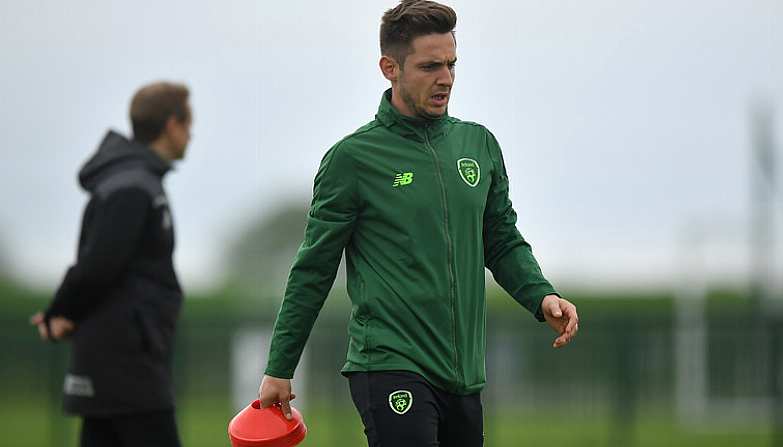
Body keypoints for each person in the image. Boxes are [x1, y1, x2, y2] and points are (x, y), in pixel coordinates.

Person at [259, 1, 579, 446]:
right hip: (390, 363)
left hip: (463, 373)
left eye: (451, 64)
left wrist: (540, 294)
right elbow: (313, 269)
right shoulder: (352, 160)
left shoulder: (479, 145)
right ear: (389, 67)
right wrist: (280, 366)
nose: (445, 77)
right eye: (430, 66)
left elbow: (501, 240)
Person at [30, 81, 192, 447]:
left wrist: (62, 309)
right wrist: (60, 311)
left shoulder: (138, 181)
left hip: (120, 356)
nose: (191, 135)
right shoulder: (133, 186)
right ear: (171, 125)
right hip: (128, 360)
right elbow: (99, 263)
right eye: (188, 124)